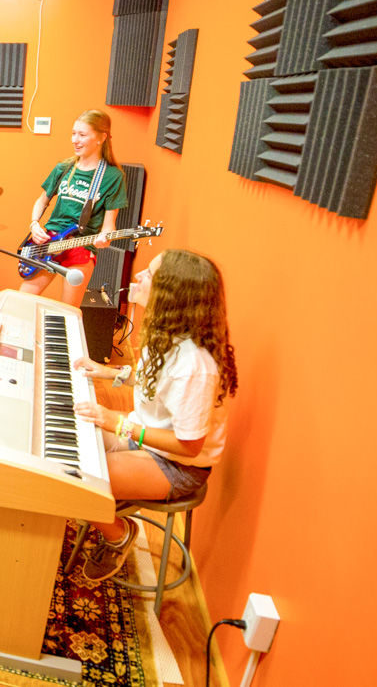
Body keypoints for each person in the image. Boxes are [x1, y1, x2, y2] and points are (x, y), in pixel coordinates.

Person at [69, 249, 238, 581]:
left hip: (177, 466)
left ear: (170, 294)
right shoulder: (166, 333)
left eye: (149, 274)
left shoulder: (194, 367)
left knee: (76, 476)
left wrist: (120, 424)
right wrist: (105, 372)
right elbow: (151, 379)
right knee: (67, 439)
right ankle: (98, 506)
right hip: (147, 440)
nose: (139, 277)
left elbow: (189, 446)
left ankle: (118, 534)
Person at [19, 109, 127, 308]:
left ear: (101, 138)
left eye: (82, 135)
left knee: (68, 312)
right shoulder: (64, 167)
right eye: (73, 133)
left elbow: (109, 225)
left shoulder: (113, 177)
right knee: (20, 302)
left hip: (80, 247)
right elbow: (41, 201)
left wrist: (105, 237)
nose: (75, 140)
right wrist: (34, 224)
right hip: (49, 242)